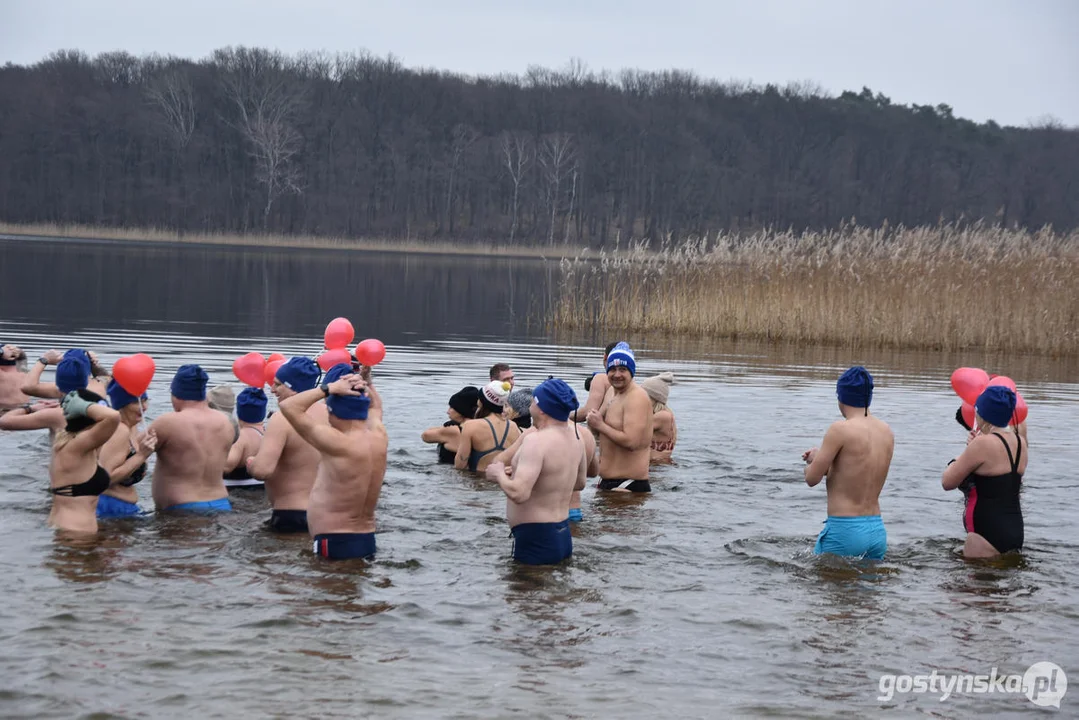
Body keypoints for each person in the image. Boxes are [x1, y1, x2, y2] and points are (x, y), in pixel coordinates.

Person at [278, 363, 387, 560]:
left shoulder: (337, 442)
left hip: (335, 540)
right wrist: (365, 382)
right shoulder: (379, 435)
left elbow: (289, 406)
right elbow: (376, 406)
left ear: (331, 409)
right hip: (367, 537)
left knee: (330, 589)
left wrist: (329, 388)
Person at [485, 378, 587, 565]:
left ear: (541, 408)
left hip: (536, 537)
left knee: (523, 594)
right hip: (562, 535)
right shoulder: (576, 439)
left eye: (533, 401)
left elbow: (519, 493)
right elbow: (580, 483)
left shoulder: (536, 441)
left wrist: (499, 474)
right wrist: (524, 476)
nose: (530, 405)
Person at [802, 366, 893, 560]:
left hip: (845, 529)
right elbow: (856, 470)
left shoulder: (840, 429)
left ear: (840, 397)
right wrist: (823, 458)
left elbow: (811, 479)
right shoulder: (886, 431)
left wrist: (813, 463)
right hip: (876, 530)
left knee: (825, 586)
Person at [942, 385, 1026, 558]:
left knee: (975, 583)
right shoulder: (1020, 443)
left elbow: (947, 482)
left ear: (983, 414)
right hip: (1015, 530)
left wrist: (965, 453)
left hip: (985, 534)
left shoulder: (982, 445)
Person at [247, 357, 324, 533]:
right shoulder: (330, 414)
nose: (272, 390)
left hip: (292, 514)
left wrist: (251, 462)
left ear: (293, 386)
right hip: (325, 513)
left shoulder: (282, 418)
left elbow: (262, 471)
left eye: (278, 384)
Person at [148, 365, 234, 513]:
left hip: (182, 506)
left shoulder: (167, 422)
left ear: (175, 393)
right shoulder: (226, 423)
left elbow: (132, 452)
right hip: (221, 504)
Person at [48, 388, 121, 532]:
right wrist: (82, 406)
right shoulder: (77, 446)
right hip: (75, 532)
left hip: (70, 529)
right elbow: (113, 417)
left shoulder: (70, 441)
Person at [587, 343, 653, 492]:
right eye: (612, 369)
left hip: (628, 485)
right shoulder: (611, 391)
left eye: (622, 369)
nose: (617, 375)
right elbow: (595, 427)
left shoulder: (637, 397)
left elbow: (632, 442)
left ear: (631, 371)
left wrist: (600, 425)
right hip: (606, 481)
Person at [97, 380, 156, 518]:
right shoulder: (119, 430)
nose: (144, 407)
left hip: (120, 509)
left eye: (145, 400)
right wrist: (141, 455)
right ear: (122, 405)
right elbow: (105, 479)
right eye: (137, 402)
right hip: (109, 510)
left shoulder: (131, 427)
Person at [455, 380, 520, 474]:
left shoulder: (470, 426)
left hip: (478, 482)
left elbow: (460, 465)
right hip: (503, 483)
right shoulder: (514, 427)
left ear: (481, 401)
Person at [421, 386, 480, 464]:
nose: (448, 411)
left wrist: (446, 428)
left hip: (452, 473)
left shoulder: (454, 431)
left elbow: (426, 436)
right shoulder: (481, 428)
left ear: (462, 410)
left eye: (451, 407)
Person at [223, 387, 267, 491]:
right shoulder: (268, 434)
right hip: (261, 488)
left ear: (239, 411)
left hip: (238, 492)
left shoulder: (241, 437)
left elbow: (226, 467)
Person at [569, 341, 619, 424]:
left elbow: (588, 412)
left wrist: (562, 415)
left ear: (605, 357)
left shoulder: (600, 379)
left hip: (601, 435)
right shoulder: (632, 384)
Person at [641, 372, 677, 463]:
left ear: (654, 397)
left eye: (643, 395)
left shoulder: (662, 416)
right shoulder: (666, 413)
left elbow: (634, 432)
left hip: (656, 465)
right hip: (659, 465)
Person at [0, 343, 31, 411]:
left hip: (4, 413)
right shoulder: (23, 371)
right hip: (25, 411)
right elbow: (23, 357)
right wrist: (17, 351)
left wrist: (2, 351)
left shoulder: (1, 375)